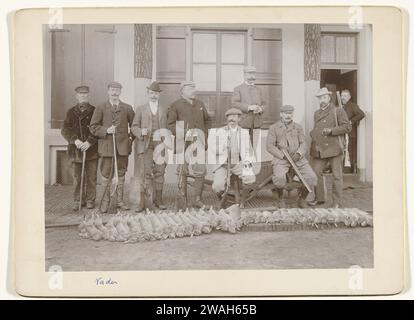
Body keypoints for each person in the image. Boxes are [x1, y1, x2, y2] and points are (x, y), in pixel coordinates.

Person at [89, 81, 135, 212]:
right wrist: (106, 130)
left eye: (117, 89)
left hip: (122, 148)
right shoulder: (101, 108)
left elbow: (134, 126)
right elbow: (93, 127)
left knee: (121, 173)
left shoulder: (127, 108)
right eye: (112, 90)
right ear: (108, 92)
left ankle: (119, 201)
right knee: (105, 174)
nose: (114, 92)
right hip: (106, 147)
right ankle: (105, 201)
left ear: (120, 92)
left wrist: (129, 140)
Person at [167, 81, 210, 208]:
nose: (194, 90)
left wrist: (204, 134)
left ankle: (197, 200)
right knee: (182, 171)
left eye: (194, 88)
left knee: (200, 170)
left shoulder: (200, 104)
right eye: (190, 88)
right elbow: (170, 125)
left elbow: (208, 120)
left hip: (198, 144)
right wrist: (184, 133)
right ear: (182, 91)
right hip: (182, 144)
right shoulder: (175, 105)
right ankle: (182, 198)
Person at [266, 105, 317, 208]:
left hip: (298, 159)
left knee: (311, 177)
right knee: (279, 179)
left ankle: (302, 199)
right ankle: (280, 199)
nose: (288, 116)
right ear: (281, 114)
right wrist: (282, 156)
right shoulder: (274, 128)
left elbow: (303, 143)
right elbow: (269, 146)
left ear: (292, 114)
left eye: (290, 113)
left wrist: (298, 154)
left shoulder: (298, 127)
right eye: (285, 113)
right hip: (282, 159)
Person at [309, 87, 352, 208]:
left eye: (324, 97)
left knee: (337, 176)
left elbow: (347, 127)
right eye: (319, 98)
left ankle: (337, 202)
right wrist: (313, 133)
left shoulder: (338, 111)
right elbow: (317, 128)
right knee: (315, 173)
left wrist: (332, 131)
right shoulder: (317, 113)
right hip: (320, 149)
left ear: (329, 98)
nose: (322, 100)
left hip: (334, 148)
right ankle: (320, 198)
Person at [131, 81, 167, 212]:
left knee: (160, 172)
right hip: (145, 145)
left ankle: (158, 199)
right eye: (151, 93)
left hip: (160, 145)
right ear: (148, 93)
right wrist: (141, 131)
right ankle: (143, 201)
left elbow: (167, 129)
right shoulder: (141, 109)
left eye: (156, 93)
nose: (154, 95)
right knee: (145, 173)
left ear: (159, 95)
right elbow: (134, 127)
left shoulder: (164, 109)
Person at [61, 85, 98, 210]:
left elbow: (98, 129)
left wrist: (89, 142)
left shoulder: (95, 111)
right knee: (77, 178)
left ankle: (90, 200)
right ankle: (78, 200)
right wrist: (75, 140)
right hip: (76, 150)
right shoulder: (70, 112)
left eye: (85, 94)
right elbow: (65, 130)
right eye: (80, 94)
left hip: (91, 150)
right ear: (76, 96)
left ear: (89, 96)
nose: (83, 96)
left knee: (91, 177)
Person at [211, 108, 256, 207]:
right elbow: (213, 149)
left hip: (238, 164)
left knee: (250, 178)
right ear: (227, 118)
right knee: (217, 186)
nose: (232, 119)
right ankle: (222, 199)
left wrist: (247, 164)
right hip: (223, 165)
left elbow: (249, 150)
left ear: (239, 119)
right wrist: (223, 147)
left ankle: (243, 201)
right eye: (230, 116)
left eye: (235, 116)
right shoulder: (220, 132)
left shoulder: (244, 132)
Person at [231, 65, 266, 138]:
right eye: (250, 73)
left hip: (257, 123)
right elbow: (234, 103)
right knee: (244, 147)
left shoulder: (259, 89)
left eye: (253, 74)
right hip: (244, 123)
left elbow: (264, 104)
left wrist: (261, 109)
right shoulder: (238, 89)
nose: (252, 76)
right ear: (244, 75)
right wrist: (249, 107)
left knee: (256, 148)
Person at [340, 89, 365, 173]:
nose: (343, 97)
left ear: (349, 97)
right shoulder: (340, 106)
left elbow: (361, 114)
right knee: (343, 150)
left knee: (349, 151)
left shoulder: (352, 105)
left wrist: (351, 121)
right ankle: (343, 169)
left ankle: (349, 171)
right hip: (342, 133)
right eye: (342, 95)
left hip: (350, 133)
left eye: (345, 96)